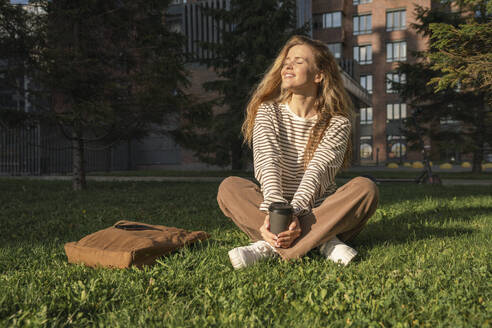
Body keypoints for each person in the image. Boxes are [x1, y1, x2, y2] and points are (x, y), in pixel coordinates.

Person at [217, 35, 379, 269]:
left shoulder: (338, 122)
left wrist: (295, 215)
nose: (288, 65)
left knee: (366, 189)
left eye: (299, 61)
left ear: (319, 75)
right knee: (229, 187)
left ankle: (269, 245)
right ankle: (323, 242)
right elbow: (267, 163)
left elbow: (318, 172)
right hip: (274, 206)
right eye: (286, 62)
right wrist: (277, 213)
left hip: (319, 209)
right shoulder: (268, 112)